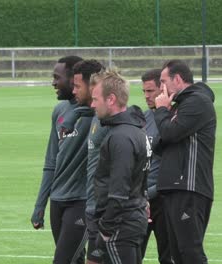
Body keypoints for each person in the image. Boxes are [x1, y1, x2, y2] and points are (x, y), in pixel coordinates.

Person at [154, 60, 216, 263]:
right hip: (175, 187)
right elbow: (158, 143)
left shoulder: (197, 102)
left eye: (163, 81)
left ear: (178, 79)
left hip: (189, 188)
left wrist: (162, 110)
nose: (160, 87)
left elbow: (170, 133)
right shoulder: (179, 105)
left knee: (190, 253)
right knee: (177, 255)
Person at [31, 55, 92, 264]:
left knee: (63, 261)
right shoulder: (59, 111)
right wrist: (40, 205)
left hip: (81, 201)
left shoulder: (98, 113)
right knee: (75, 260)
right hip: (58, 201)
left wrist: (82, 112)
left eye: (57, 77)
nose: (53, 83)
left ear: (75, 79)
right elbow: (51, 162)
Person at [91, 69, 150, 264]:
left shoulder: (120, 137)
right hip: (131, 220)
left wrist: (105, 231)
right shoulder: (135, 131)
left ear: (111, 99)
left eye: (96, 99)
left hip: (119, 225)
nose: (92, 105)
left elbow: (119, 191)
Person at [71, 60, 108, 264]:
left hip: (107, 212)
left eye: (78, 86)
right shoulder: (95, 116)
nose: (92, 103)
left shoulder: (112, 125)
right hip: (93, 208)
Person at [140, 69, 172, 263]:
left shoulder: (171, 119)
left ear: (163, 89)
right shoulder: (142, 119)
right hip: (141, 201)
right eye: (144, 91)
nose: (146, 96)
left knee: (167, 257)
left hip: (163, 201)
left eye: (150, 91)